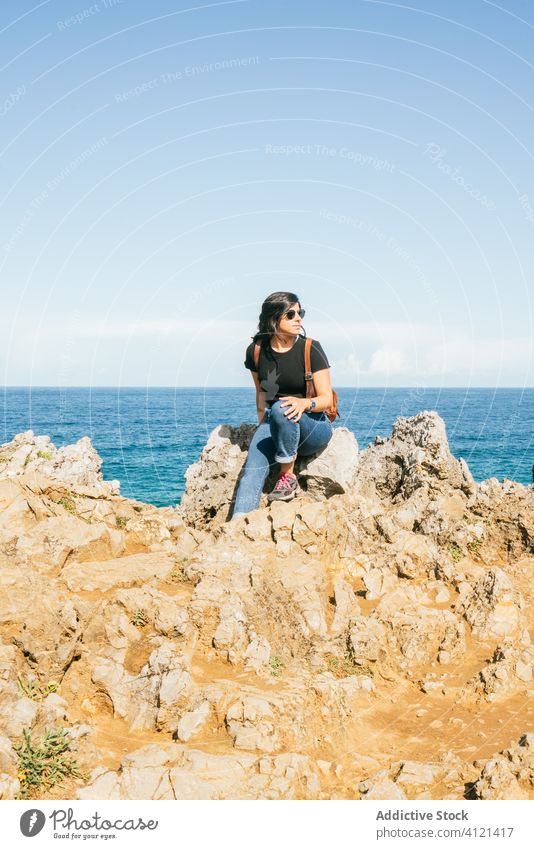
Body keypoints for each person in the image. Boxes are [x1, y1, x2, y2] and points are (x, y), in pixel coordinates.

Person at [231, 291, 334, 518]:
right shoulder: (257, 351)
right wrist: (262, 428)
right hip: (275, 422)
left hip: (314, 426)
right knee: (251, 470)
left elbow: (326, 398)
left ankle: (287, 477)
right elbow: (261, 393)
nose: (298, 318)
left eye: (300, 312)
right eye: (291, 314)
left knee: (281, 408)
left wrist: (303, 403)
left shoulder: (311, 348)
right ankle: (237, 527)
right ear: (274, 318)